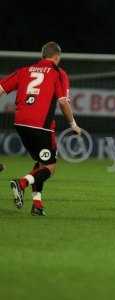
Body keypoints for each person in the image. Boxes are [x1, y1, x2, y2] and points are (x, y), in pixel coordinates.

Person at [0, 41, 82, 216]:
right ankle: (21, 183)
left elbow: (1, 88)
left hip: (20, 123)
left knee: (41, 161)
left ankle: (37, 204)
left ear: (42, 55)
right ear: (57, 56)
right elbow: (63, 102)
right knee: (50, 166)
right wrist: (73, 125)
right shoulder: (58, 73)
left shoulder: (24, 71)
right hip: (41, 126)